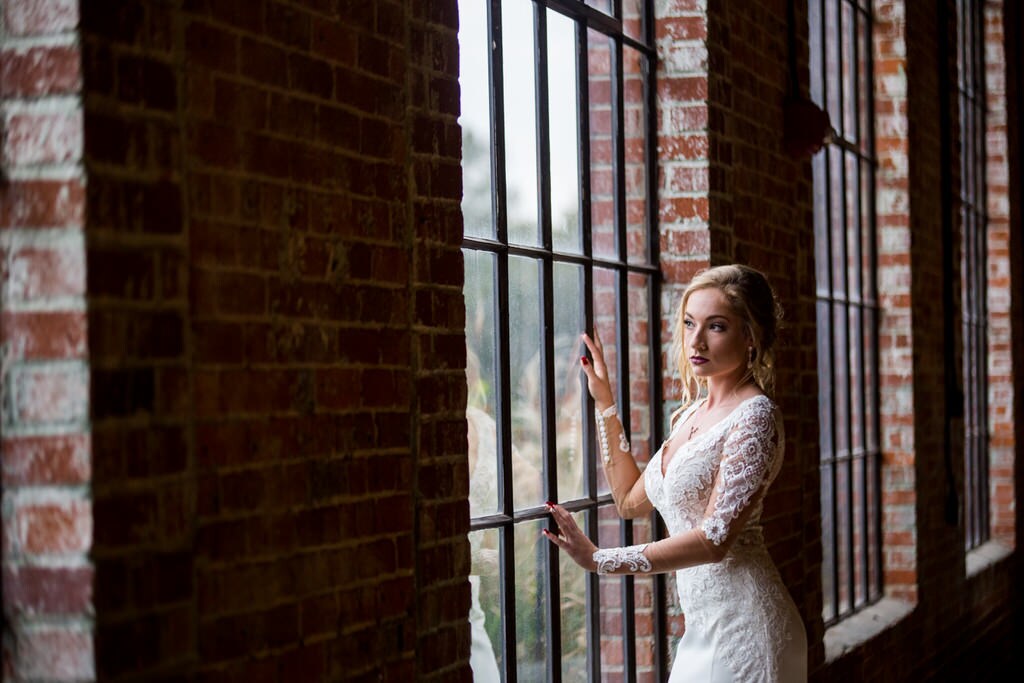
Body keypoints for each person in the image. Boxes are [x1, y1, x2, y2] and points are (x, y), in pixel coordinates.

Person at [543, 264, 807, 682]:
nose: (696, 341)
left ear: (750, 336)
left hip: (747, 628)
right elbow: (629, 500)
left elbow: (714, 541)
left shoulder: (755, 416)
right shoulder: (689, 414)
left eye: (716, 326)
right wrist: (604, 400)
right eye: (689, 323)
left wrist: (599, 560)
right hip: (701, 630)